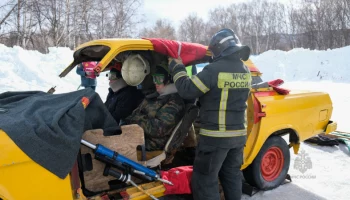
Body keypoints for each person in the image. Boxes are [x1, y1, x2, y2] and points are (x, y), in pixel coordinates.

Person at [168, 28, 252, 200]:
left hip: (215, 137)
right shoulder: (245, 70)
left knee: (205, 179)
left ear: (218, 49)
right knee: (232, 176)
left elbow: (187, 90)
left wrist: (177, 68)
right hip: (238, 136)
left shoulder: (213, 70)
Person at [125, 66, 185, 151]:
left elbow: (158, 129)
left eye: (159, 79)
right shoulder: (154, 97)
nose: (156, 82)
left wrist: (136, 120)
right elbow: (134, 113)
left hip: (152, 144)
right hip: (137, 135)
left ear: (168, 80)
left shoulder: (174, 102)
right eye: (154, 78)